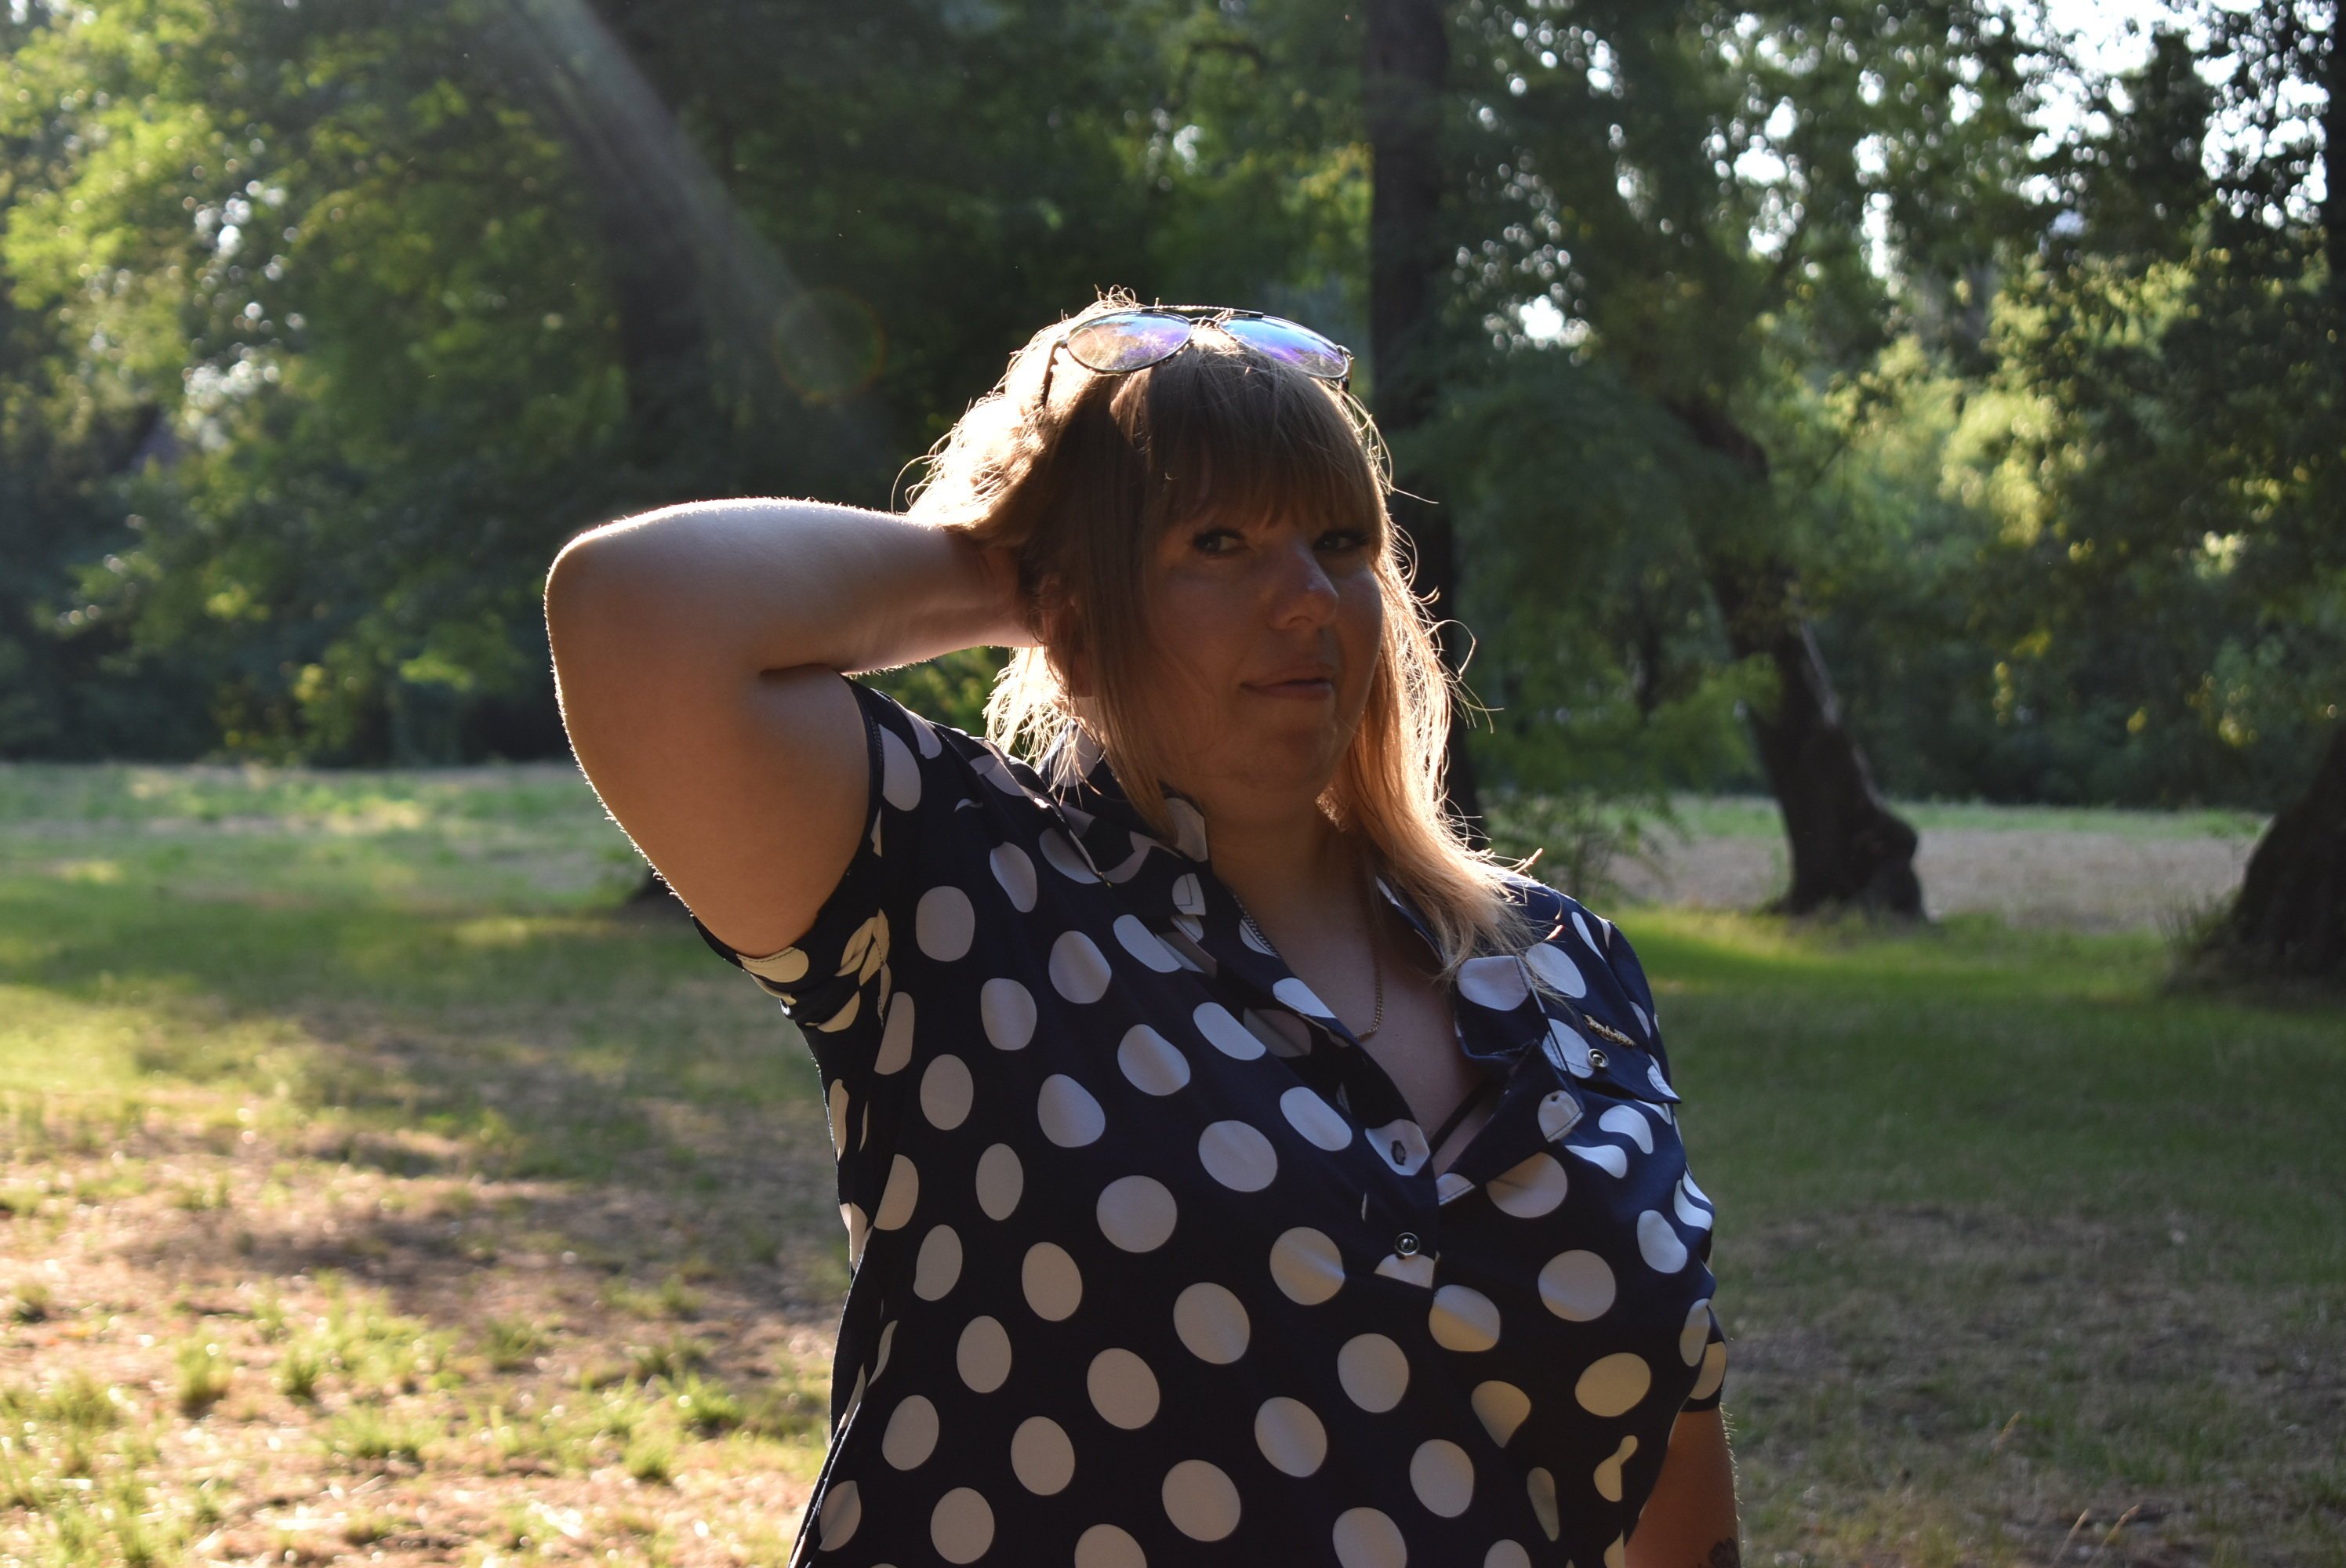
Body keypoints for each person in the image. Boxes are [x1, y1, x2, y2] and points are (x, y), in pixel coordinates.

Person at [544, 297, 1737, 1568]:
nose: (1307, 600)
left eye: (1340, 541)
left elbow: (1676, 1443)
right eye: (1218, 541)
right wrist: (1018, 569)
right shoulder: (959, 886)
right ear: (1072, 612)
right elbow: (632, 614)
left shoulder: (1565, 968)